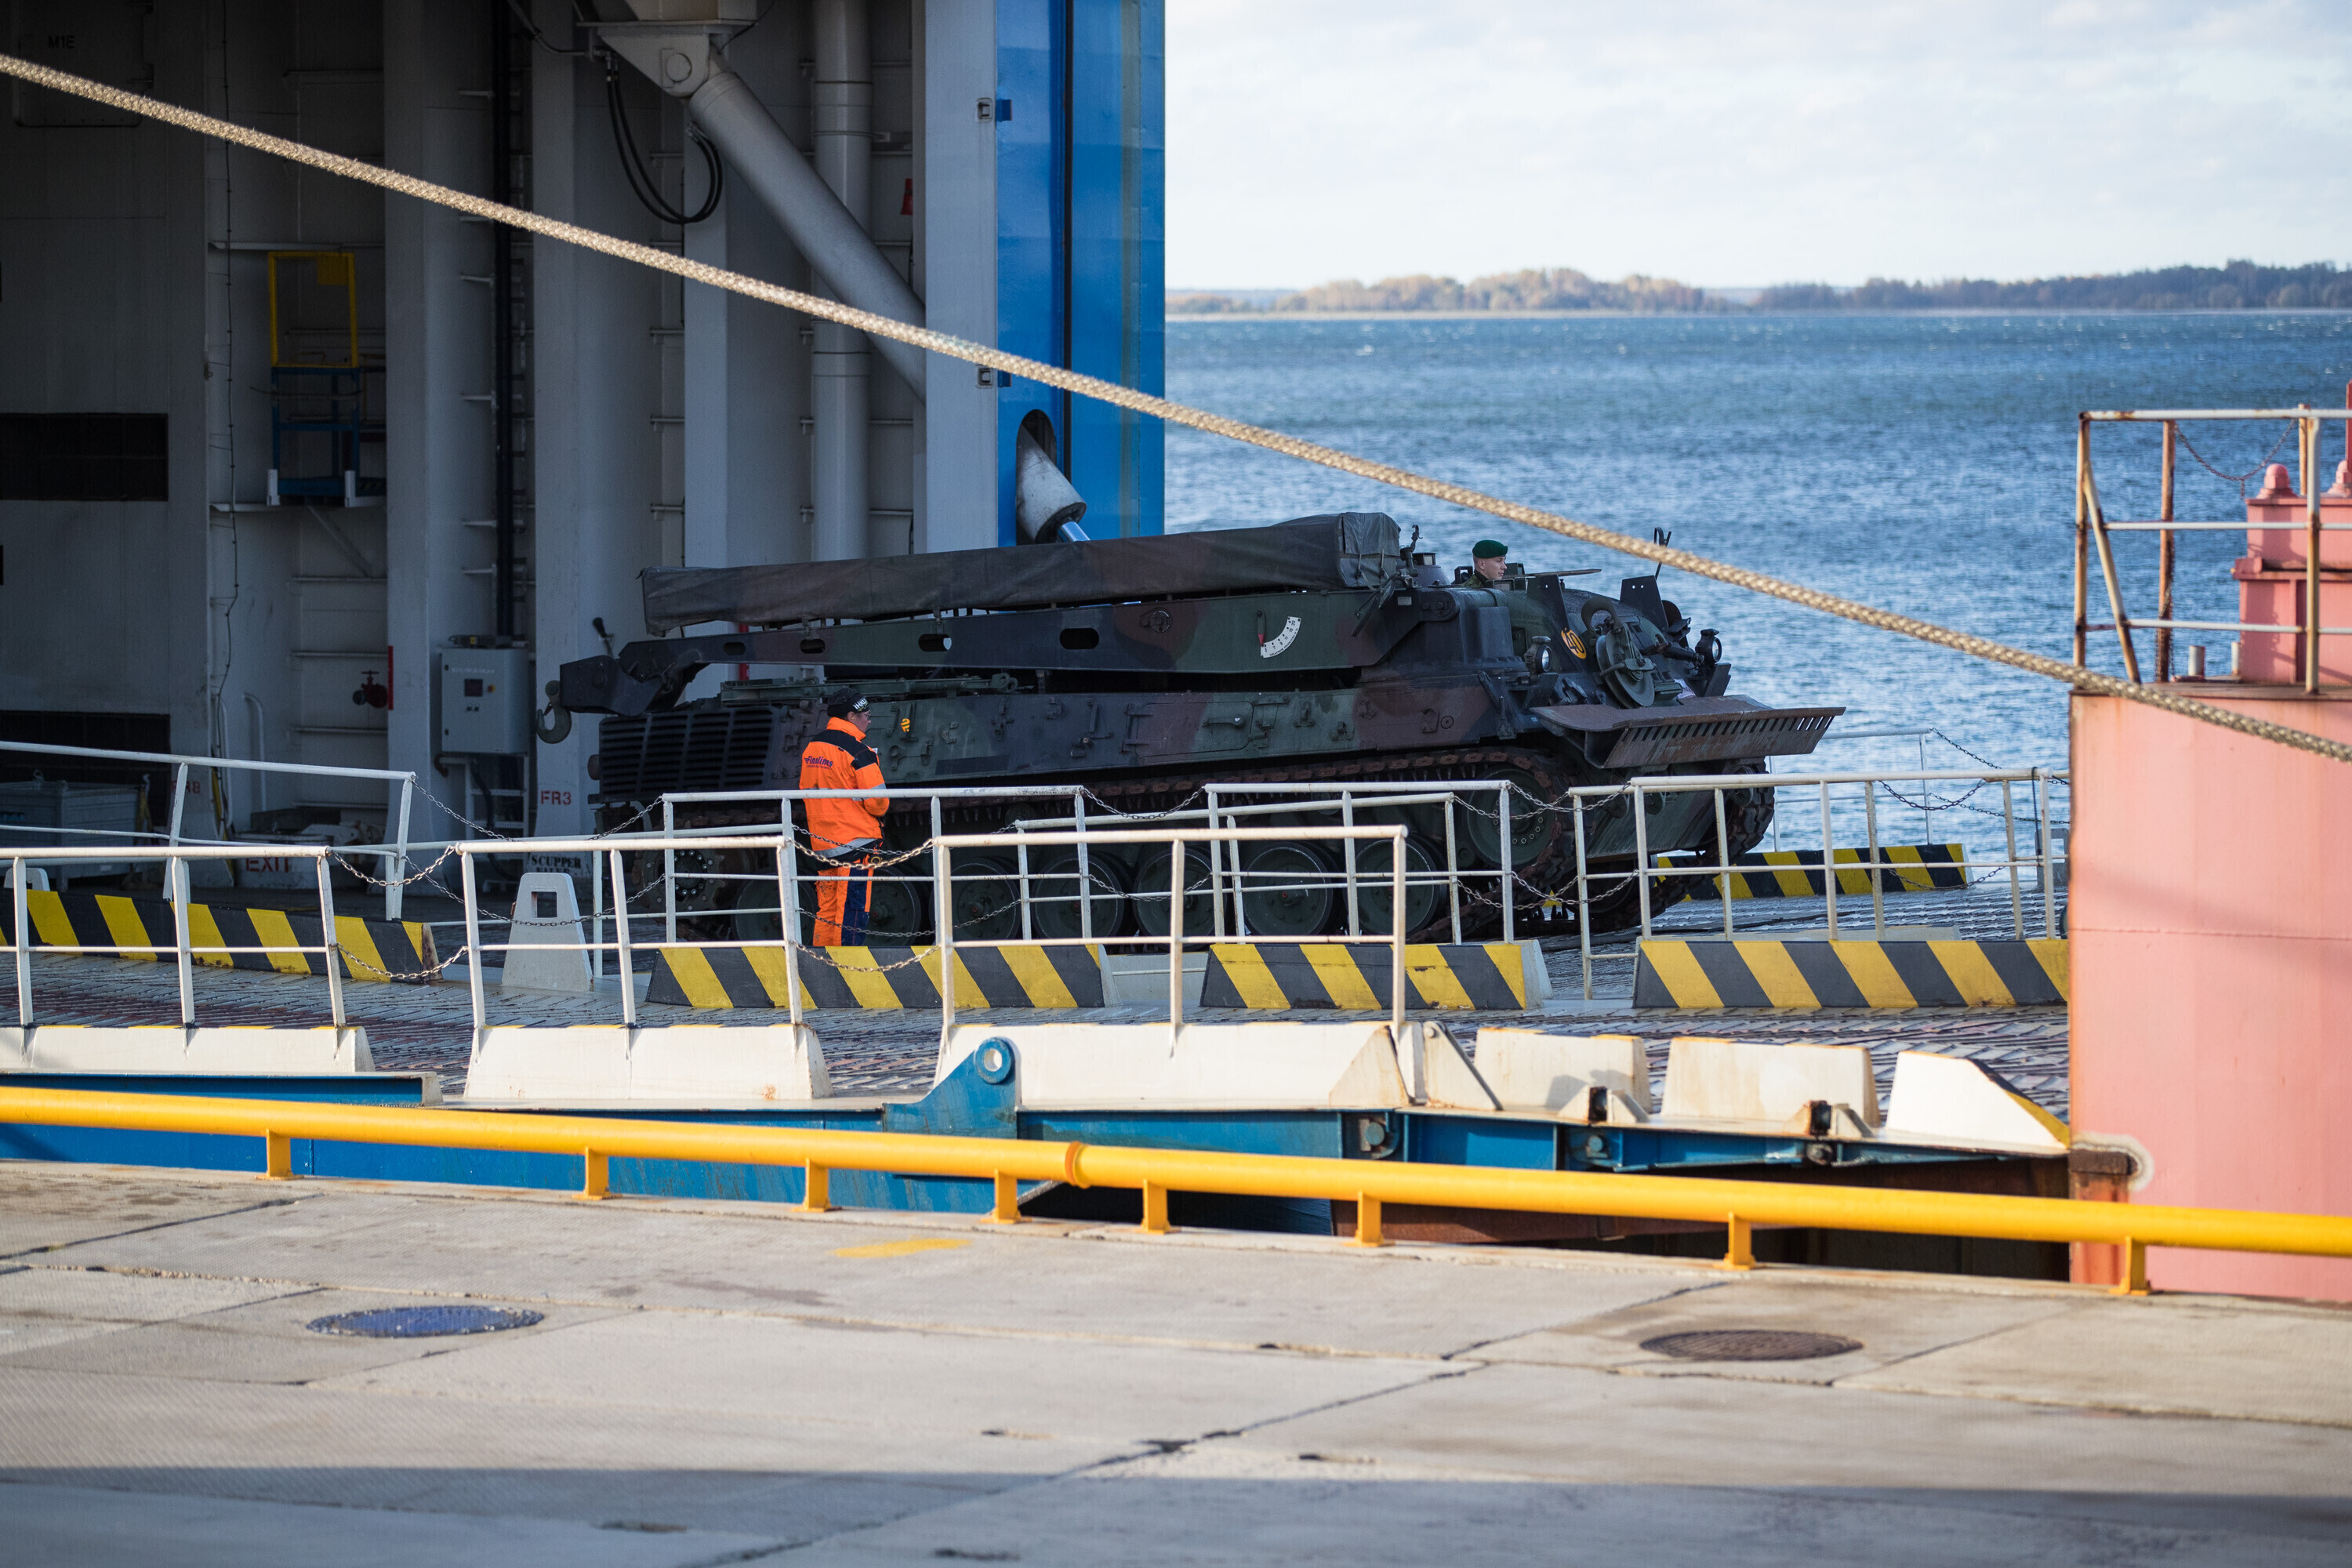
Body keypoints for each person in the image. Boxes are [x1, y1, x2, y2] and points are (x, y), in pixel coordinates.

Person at [799, 688, 890, 946]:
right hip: (855, 845)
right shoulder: (858, 751)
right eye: (866, 716)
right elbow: (879, 803)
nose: (869, 721)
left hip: (823, 845)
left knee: (827, 910)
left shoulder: (812, 748)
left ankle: (822, 961)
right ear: (851, 716)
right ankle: (847, 965)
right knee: (852, 911)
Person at [1468, 538, 1559, 659]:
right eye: (1499, 561)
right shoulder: (1471, 593)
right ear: (1482, 564)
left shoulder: (1493, 588)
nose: (1504, 567)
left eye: (1504, 561)